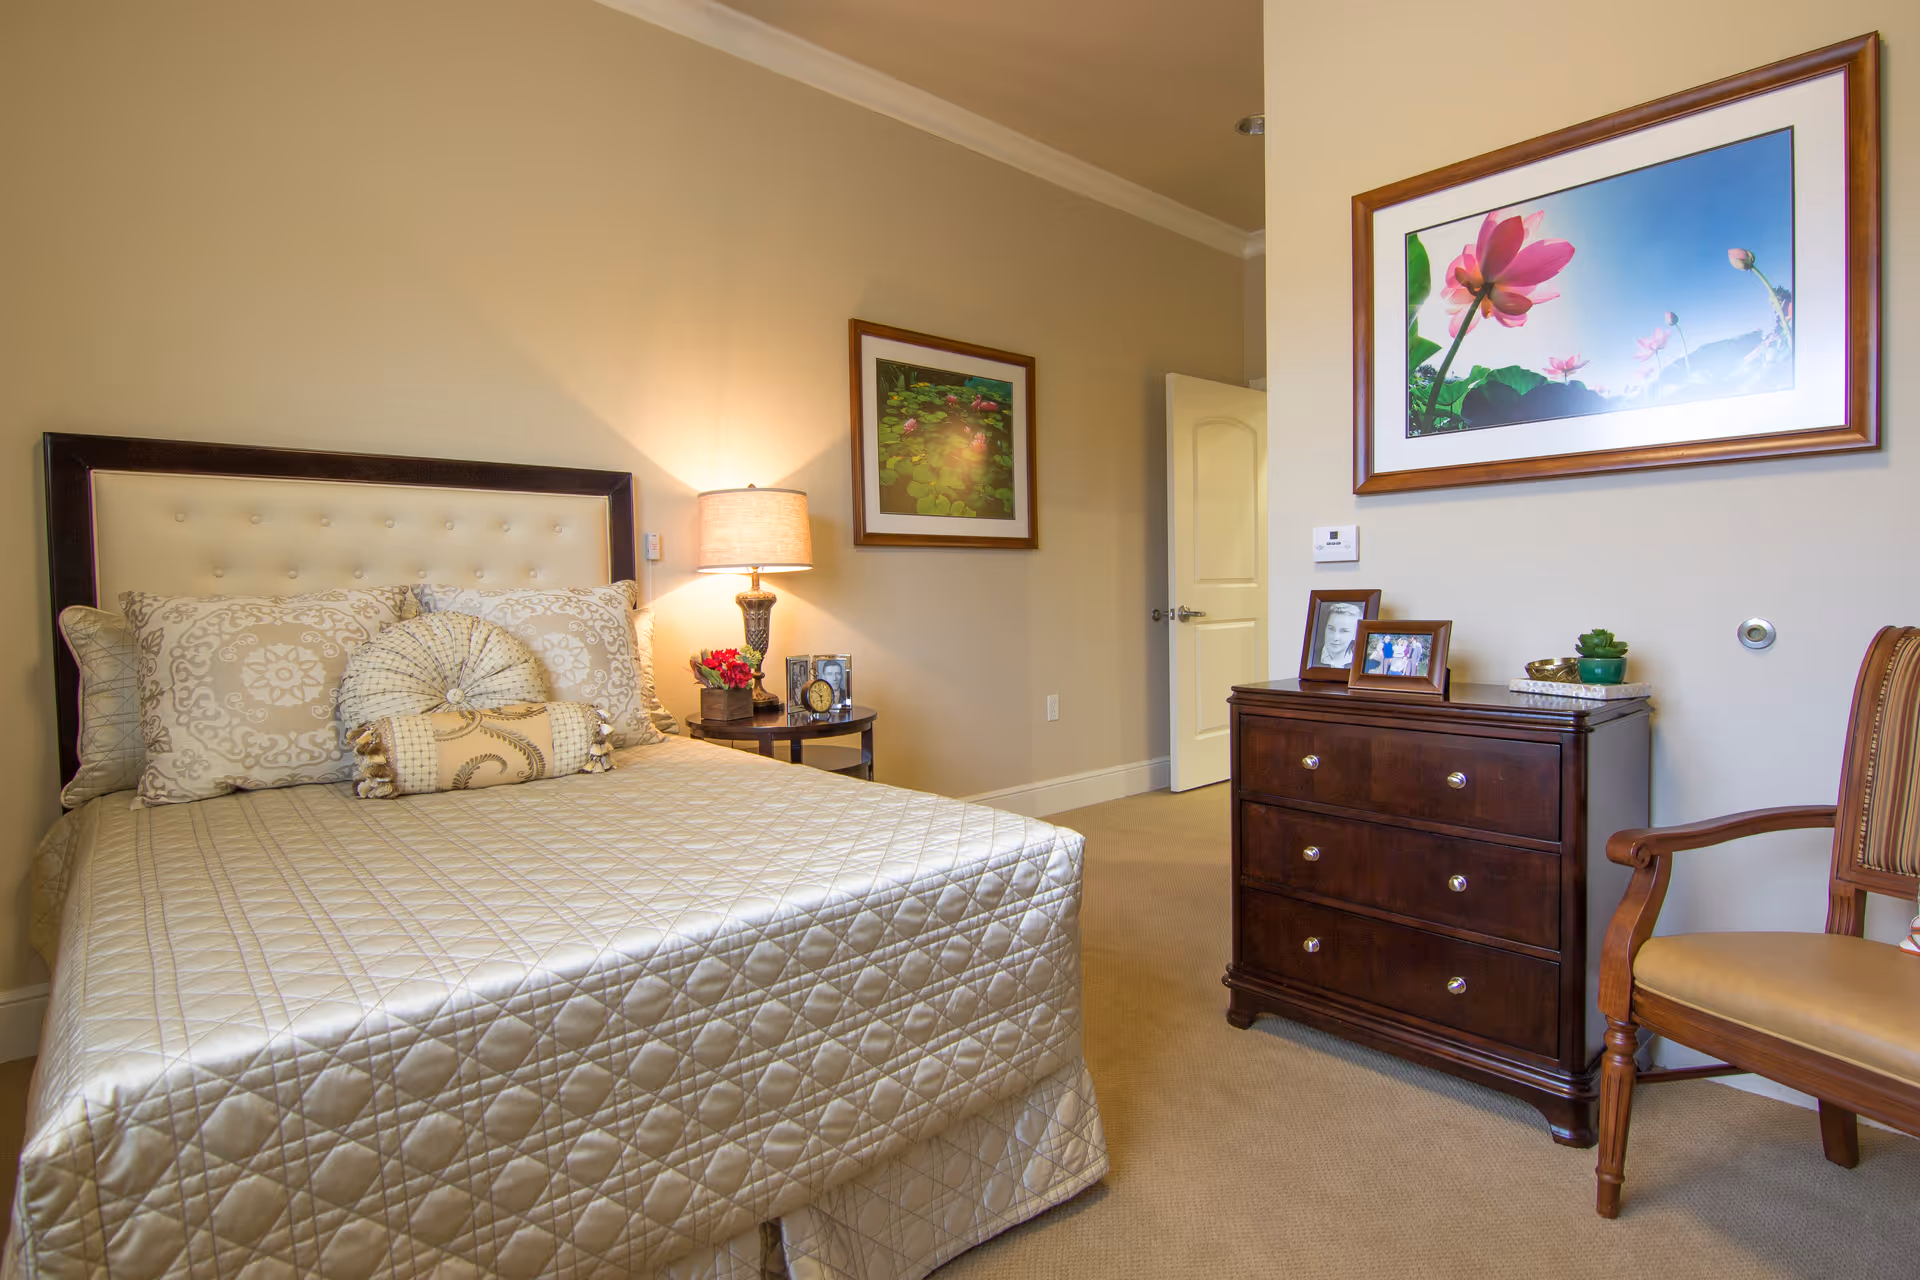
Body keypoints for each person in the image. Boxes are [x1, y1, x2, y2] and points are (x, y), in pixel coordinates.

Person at [1317, 602, 1363, 670]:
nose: (1335, 637)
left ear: (1355, 634)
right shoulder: (1311, 658)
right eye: (1331, 629)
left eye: (1344, 631)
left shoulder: (1361, 662)